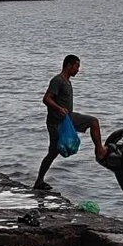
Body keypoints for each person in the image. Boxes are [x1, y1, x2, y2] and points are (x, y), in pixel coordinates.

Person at [34, 54, 109, 192]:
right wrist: (58, 108)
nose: (78, 70)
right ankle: (39, 181)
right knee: (53, 152)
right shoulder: (58, 80)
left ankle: (100, 150)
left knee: (93, 122)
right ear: (69, 65)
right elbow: (46, 99)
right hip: (57, 122)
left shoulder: (68, 82)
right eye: (76, 66)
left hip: (68, 118)